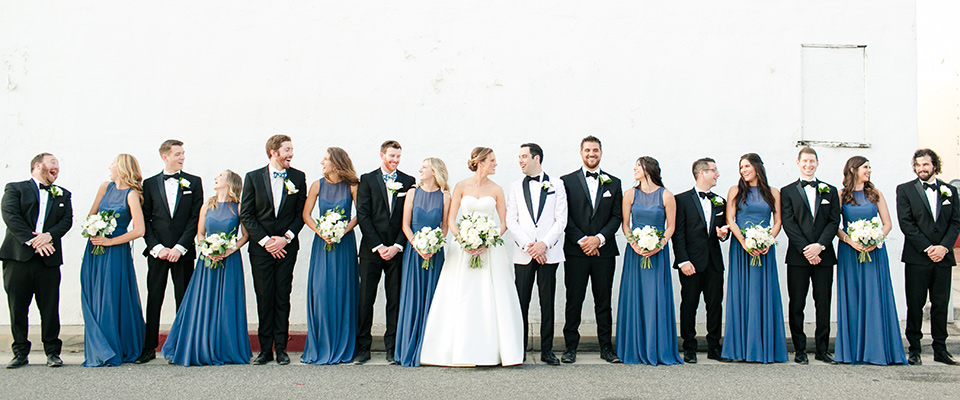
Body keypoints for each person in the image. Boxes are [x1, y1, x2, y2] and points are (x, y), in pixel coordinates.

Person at [420, 147, 524, 367]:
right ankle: (456, 350)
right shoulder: (461, 186)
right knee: (461, 294)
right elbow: (451, 220)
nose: (496, 164)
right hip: (463, 250)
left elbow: (504, 222)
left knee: (490, 295)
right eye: (492, 160)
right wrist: (464, 241)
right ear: (480, 162)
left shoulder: (496, 189)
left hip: (489, 250)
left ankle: (494, 350)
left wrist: (488, 240)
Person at [161, 170, 251, 366]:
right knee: (202, 301)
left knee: (227, 302)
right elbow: (200, 233)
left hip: (229, 260)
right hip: (207, 260)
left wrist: (228, 251)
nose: (216, 178)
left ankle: (225, 348)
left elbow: (244, 235)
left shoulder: (239, 207)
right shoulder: (207, 206)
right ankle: (198, 344)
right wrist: (206, 250)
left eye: (220, 176)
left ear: (230, 182)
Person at [1, 153, 73, 369]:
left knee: (50, 308)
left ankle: (52, 352)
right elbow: (11, 216)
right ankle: (20, 352)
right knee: (18, 307)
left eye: (58, 165)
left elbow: (66, 221)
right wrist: (34, 241)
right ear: (38, 165)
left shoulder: (63, 194)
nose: (57, 167)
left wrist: (48, 236)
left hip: (48, 261)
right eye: (53, 163)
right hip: (18, 259)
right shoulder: (15, 188)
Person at [240, 135, 307, 365]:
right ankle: (264, 350)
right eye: (287, 149)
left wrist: (285, 238)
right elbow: (247, 215)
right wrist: (267, 241)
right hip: (261, 250)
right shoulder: (253, 178)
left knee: (282, 296)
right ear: (273, 152)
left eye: (291, 149)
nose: (291, 153)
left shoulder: (298, 177)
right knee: (264, 297)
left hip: (287, 248)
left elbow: (301, 214)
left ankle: (281, 349)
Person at [834, 156, 906, 365]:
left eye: (869, 167)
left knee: (874, 297)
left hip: (874, 253)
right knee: (854, 297)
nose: (869, 171)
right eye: (866, 167)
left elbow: (887, 223)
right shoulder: (841, 195)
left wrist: (875, 239)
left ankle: (877, 349)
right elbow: (835, 225)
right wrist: (849, 240)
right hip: (850, 253)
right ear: (853, 169)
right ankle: (854, 350)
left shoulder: (875, 194)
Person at [137, 139, 203, 364]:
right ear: (165, 157)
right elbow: (145, 219)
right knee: (154, 298)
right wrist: (157, 248)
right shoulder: (150, 184)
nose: (182, 157)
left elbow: (196, 218)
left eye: (183, 153)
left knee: (183, 298)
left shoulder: (194, 182)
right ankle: (148, 347)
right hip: (158, 252)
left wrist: (179, 247)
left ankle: (182, 345)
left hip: (182, 251)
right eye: (177, 154)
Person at [559, 136, 623, 364]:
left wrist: (599, 239)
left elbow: (617, 216)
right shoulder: (565, 181)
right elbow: (564, 216)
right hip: (576, 252)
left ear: (601, 153)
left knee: (603, 301)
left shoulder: (614, 183)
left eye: (595, 150)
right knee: (573, 300)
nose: (591, 153)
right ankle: (570, 348)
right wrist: (584, 241)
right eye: (587, 150)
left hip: (604, 252)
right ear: (581, 153)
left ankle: (606, 348)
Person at [80, 154, 147, 367]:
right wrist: (94, 228)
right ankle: (98, 346)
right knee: (94, 295)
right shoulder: (104, 187)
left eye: (112, 163)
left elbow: (139, 230)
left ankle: (113, 347)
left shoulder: (132, 194)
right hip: (95, 248)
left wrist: (111, 241)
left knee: (111, 296)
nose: (109, 166)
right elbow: (91, 215)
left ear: (122, 167)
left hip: (115, 251)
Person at [721, 153, 788, 363]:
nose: (743, 170)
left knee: (762, 293)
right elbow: (730, 219)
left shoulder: (773, 192)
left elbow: (777, 222)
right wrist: (744, 242)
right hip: (741, 248)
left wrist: (767, 241)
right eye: (741, 167)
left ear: (758, 167)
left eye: (747, 166)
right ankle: (739, 348)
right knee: (742, 292)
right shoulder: (735, 190)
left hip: (764, 249)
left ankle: (764, 346)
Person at [615, 156, 682, 365]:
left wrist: (658, 245)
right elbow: (625, 225)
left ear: (649, 169)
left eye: (638, 165)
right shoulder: (629, 194)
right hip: (635, 253)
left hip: (658, 253)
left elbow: (671, 226)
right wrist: (634, 243)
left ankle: (658, 347)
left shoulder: (667, 195)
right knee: (635, 297)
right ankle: (634, 348)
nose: (634, 169)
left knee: (656, 298)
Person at [896, 148, 960, 365]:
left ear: (935, 165)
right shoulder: (904, 190)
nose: (921, 169)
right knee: (915, 304)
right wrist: (928, 248)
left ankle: (940, 349)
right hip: (917, 257)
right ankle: (914, 349)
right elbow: (906, 223)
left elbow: (955, 223)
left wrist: (943, 247)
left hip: (943, 257)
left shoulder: (950, 190)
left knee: (940, 304)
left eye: (925, 165)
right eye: (918, 165)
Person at [354, 140, 416, 364]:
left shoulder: (409, 181)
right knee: (365, 299)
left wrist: (397, 245)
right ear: (382, 155)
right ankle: (363, 348)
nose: (395, 161)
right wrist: (379, 246)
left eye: (398, 157)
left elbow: (408, 218)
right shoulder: (367, 179)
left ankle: (392, 347)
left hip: (397, 251)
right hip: (372, 250)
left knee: (395, 300)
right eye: (391, 156)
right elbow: (363, 215)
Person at [505, 143, 567, 365]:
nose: (520, 160)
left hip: (549, 254)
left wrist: (544, 245)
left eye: (523, 156)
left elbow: (561, 220)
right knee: (520, 301)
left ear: (536, 158)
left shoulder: (557, 185)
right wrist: (530, 246)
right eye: (519, 157)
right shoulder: (514, 187)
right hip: (524, 254)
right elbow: (511, 219)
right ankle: (518, 349)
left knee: (547, 301)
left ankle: (547, 350)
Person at [779, 146, 840, 364]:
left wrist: (820, 246)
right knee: (797, 303)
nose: (808, 165)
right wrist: (807, 249)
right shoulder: (787, 191)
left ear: (817, 163)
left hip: (824, 256)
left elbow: (834, 221)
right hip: (798, 256)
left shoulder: (830, 191)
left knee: (823, 303)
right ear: (798, 163)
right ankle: (800, 349)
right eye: (805, 161)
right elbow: (789, 223)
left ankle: (823, 349)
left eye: (812, 161)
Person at [301, 148, 360, 365]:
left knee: (342, 289)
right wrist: (322, 231)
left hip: (344, 244)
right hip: (322, 243)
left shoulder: (353, 185)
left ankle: (343, 343)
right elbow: (306, 214)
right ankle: (322, 343)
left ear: (336, 163)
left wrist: (343, 230)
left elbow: (359, 214)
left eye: (325, 159)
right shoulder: (317, 185)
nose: (322, 163)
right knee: (322, 290)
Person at [395, 157, 451, 367]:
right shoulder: (412, 193)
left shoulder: (445, 196)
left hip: (435, 253)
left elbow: (445, 226)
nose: (420, 169)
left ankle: (430, 349)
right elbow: (405, 225)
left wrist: (435, 245)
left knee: (433, 296)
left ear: (435, 171)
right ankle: (408, 345)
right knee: (412, 296)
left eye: (424, 167)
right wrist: (417, 245)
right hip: (414, 251)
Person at [672, 157, 729, 364]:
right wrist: (682, 260)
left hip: (714, 262)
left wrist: (723, 234)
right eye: (714, 170)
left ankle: (714, 346)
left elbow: (722, 232)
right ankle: (689, 347)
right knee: (689, 304)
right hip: (691, 263)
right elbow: (677, 234)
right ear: (701, 173)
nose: (718, 174)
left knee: (715, 305)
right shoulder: (681, 200)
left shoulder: (720, 201)